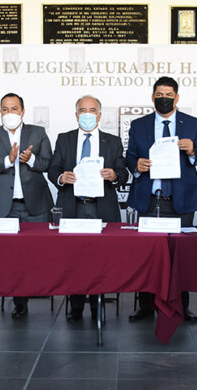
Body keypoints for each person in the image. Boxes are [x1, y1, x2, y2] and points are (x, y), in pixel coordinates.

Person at [125, 76, 197, 321]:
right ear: (152, 97)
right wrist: (136, 165)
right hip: (150, 198)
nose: (164, 99)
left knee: (181, 256)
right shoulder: (139, 125)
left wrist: (192, 150)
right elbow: (130, 156)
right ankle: (146, 305)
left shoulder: (192, 123)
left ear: (177, 97)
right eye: (159, 95)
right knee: (147, 255)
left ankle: (180, 306)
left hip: (182, 199)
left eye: (169, 95)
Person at [48, 95, 129, 321]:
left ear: (99, 115)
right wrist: (61, 177)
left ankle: (97, 305)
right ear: (76, 115)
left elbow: (123, 173)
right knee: (74, 259)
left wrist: (114, 175)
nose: (87, 114)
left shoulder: (112, 141)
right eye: (83, 110)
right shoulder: (64, 139)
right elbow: (53, 169)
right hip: (72, 206)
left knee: (99, 260)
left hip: (100, 208)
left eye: (92, 110)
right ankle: (75, 306)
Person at [0, 92, 54, 319]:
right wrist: (7, 161)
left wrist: (30, 159)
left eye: (14, 108)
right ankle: (20, 301)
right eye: (5, 109)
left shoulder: (37, 132)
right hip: (3, 207)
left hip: (35, 204)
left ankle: (36, 290)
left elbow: (49, 163)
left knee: (37, 254)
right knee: (8, 256)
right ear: (0, 112)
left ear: (22, 111)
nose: (9, 113)